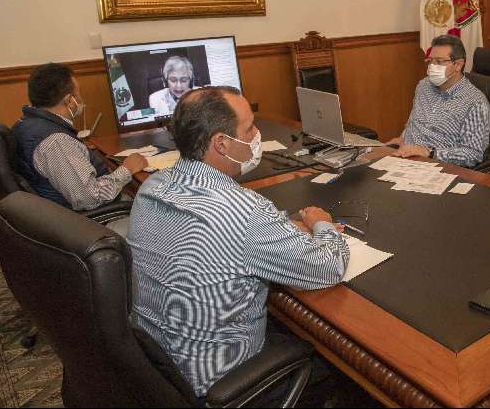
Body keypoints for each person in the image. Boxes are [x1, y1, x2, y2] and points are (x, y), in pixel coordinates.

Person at [127, 86, 350, 397]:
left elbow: (223, 235)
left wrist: (280, 226)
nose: (257, 134)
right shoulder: (245, 211)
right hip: (219, 383)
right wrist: (322, 224)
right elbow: (328, 267)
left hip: (155, 368)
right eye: (249, 128)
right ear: (221, 143)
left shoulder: (153, 186)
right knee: (341, 373)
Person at [13, 63, 147, 211]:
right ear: (70, 101)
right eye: (79, 94)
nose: (81, 99)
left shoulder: (27, 123)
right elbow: (88, 198)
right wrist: (127, 169)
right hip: (93, 221)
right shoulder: (56, 142)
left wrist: (79, 151)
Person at [387, 35, 490, 168]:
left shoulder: (475, 102)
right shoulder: (423, 86)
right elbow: (413, 122)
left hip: (436, 165)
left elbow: (472, 154)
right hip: (405, 155)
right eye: (430, 61)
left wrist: (429, 153)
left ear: (458, 65)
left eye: (439, 61)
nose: (432, 66)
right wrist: (402, 138)